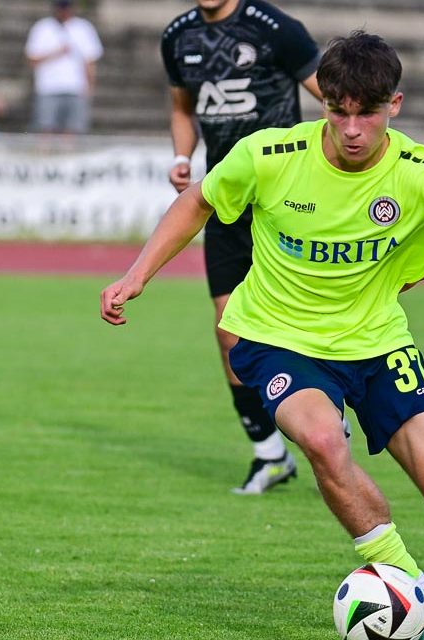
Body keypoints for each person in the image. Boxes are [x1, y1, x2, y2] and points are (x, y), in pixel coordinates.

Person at [101, 30, 424, 640]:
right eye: (338, 111)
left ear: (393, 106)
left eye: (366, 113)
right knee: (320, 438)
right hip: (276, 337)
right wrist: (138, 274)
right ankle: (412, 595)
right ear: (324, 102)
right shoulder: (269, 156)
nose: (351, 128)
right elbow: (198, 203)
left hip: (378, 346)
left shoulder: (423, 174)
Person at [160, 0, 323, 495]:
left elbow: (338, 101)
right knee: (228, 329)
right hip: (226, 201)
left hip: (285, 202)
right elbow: (181, 108)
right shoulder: (178, 37)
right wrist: (182, 156)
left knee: (303, 320)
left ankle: (324, 414)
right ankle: (269, 453)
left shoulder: (275, 30)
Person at [24, 0, 103, 140]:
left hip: (75, 87)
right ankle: (45, 157)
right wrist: (56, 53)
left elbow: (90, 61)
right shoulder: (42, 27)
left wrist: (90, 86)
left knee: (72, 130)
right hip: (48, 87)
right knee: (45, 129)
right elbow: (32, 59)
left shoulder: (83, 27)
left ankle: (67, 158)